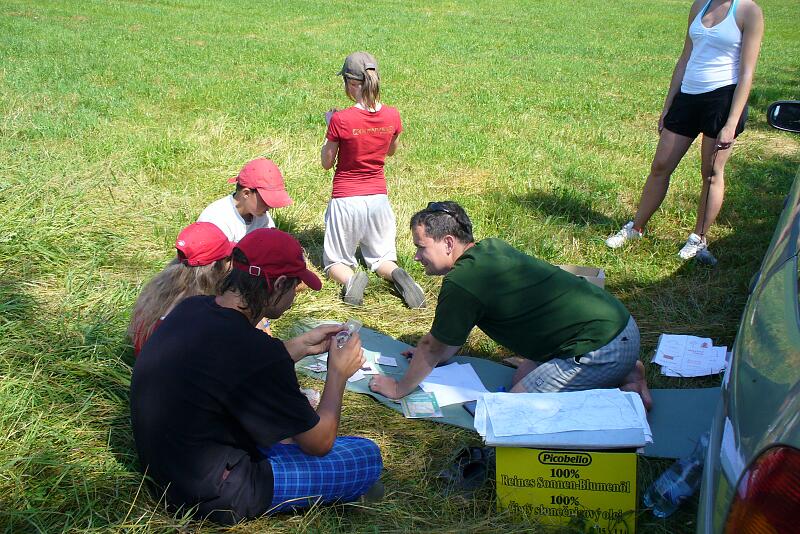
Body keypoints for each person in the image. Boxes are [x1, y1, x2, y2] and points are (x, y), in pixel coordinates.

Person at [130, 229, 382, 524]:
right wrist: (338, 373)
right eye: (295, 286)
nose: (295, 296)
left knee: (288, 431)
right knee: (365, 455)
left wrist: (299, 346)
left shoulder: (192, 307)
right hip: (218, 493)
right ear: (279, 284)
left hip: (165, 469)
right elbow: (320, 442)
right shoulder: (257, 352)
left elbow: (236, 366)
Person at [368, 201, 652, 410]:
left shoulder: (462, 281)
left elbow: (431, 346)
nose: (417, 256)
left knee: (511, 412)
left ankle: (617, 371)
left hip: (599, 346)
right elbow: (446, 340)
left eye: (421, 247)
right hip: (617, 323)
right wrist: (436, 355)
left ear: (448, 243)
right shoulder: (490, 248)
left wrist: (399, 388)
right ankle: (628, 371)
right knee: (522, 377)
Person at [606, 0, 764, 259]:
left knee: (711, 172)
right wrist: (668, 104)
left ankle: (699, 239)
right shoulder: (700, 5)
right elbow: (685, 57)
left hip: (723, 99)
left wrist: (731, 122)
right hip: (688, 95)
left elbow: (747, 73)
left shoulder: (749, 11)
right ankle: (636, 228)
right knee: (660, 165)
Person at [320, 51, 425, 308]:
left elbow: (326, 162)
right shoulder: (392, 115)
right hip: (379, 200)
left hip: (346, 200)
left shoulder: (341, 119)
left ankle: (351, 280)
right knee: (382, 258)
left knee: (335, 262)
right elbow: (390, 150)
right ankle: (397, 274)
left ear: (351, 83)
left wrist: (330, 125)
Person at [128, 221, 233, 356]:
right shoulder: (201, 314)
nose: (232, 264)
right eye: (228, 258)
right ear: (213, 268)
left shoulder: (156, 295)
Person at [198, 158, 293, 242]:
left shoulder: (260, 214)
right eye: (265, 201)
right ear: (246, 193)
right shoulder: (217, 220)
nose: (269, 207)